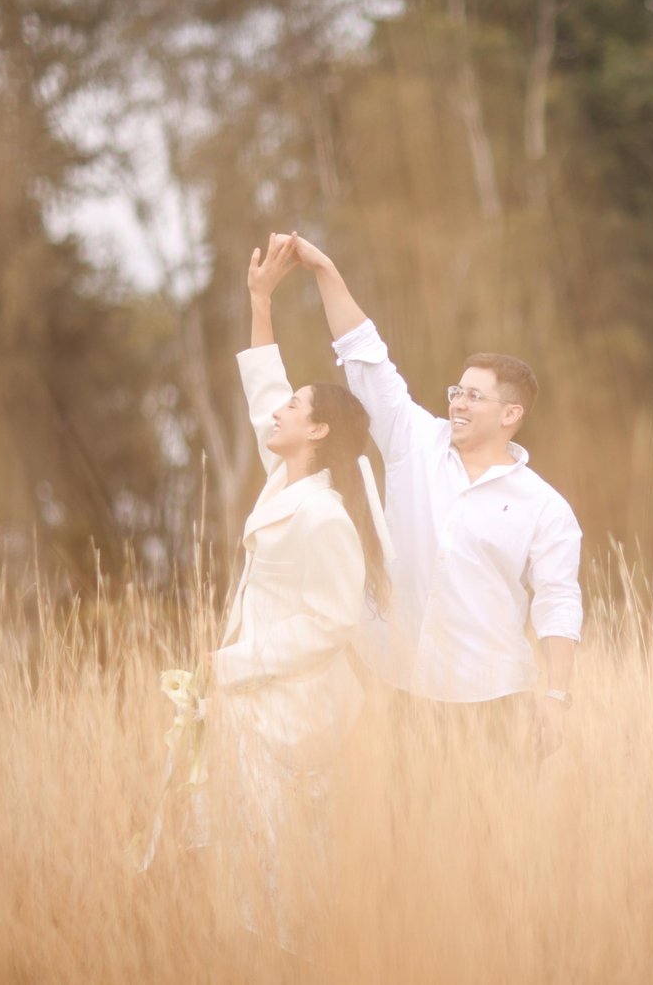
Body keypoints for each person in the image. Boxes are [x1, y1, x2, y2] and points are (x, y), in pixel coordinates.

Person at [279, 233, 582, 763]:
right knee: (398, 838)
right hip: (400, 689)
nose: (458, 403)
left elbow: (558, 603)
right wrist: (325, 270)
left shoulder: (545, 506)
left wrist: (556, 697)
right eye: (456, 391)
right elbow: (366, 359)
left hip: (492, 701)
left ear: (510, 414)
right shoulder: (414, 441)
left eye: (473, 395)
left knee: (485, 841)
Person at [206, 231, 389, 947]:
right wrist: (260, 302)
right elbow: (263, 393)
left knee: (287, 868)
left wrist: (238, 661)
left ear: (315, 430)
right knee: (256, 859)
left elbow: (333, 619)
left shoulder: (325, 513)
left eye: (295, 407)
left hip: (297, 713)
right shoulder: (288, 475)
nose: (278, 412)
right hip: (261, 700)